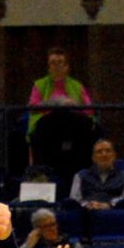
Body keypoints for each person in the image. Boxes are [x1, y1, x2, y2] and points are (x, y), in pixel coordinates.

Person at [27, 46, 95, 184]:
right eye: (53, 63)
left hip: (74, 129)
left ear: (67, 67)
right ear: (48, 67)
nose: (56, 66)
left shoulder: (77, 86)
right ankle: (41, 175)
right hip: (48, 131)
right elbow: (32, 107)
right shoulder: (39, 85)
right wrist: (52, 103)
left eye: (60, 63)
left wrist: (73, 104)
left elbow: (89, 110)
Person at [69, 138, 124, 209]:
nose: (104, 154)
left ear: (114, 156)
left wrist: (108, 205)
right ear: (93, 158)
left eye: (108, 151)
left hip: (114, 216)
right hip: (88, 215)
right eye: (99, 152)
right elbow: (74, 201)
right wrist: (89, 205)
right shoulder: (80, 176)